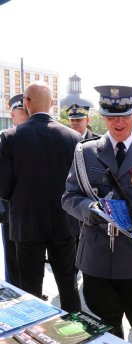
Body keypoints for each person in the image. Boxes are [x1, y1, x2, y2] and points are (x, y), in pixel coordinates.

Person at [62, 85, 132, 344]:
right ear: (102, 116)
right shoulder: (84, 152)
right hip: (95, 258)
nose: (117, 122)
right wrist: (90, 211)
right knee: (105, 323)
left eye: (124, 114)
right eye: (110, 116)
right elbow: (68, 197)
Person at [0, 82, 81, 312]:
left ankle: (34, 339)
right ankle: (75, 334)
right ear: (52, 104)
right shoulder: (73, 137)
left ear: (26, 103)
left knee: (30, 291)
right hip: (64, 224)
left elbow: (3, 189)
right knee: (68, 286)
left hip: (27, 226)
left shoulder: (10, 137)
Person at [0, 94, 29, 287]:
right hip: (11, 210)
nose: (26, 116)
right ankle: (15, 293)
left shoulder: (38, 137)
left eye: (28, 112)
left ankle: (31, 291)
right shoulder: (6, 139)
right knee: (13, 258)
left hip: (34, 212)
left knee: (30, 262)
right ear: (12, 115)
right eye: (22, 113)